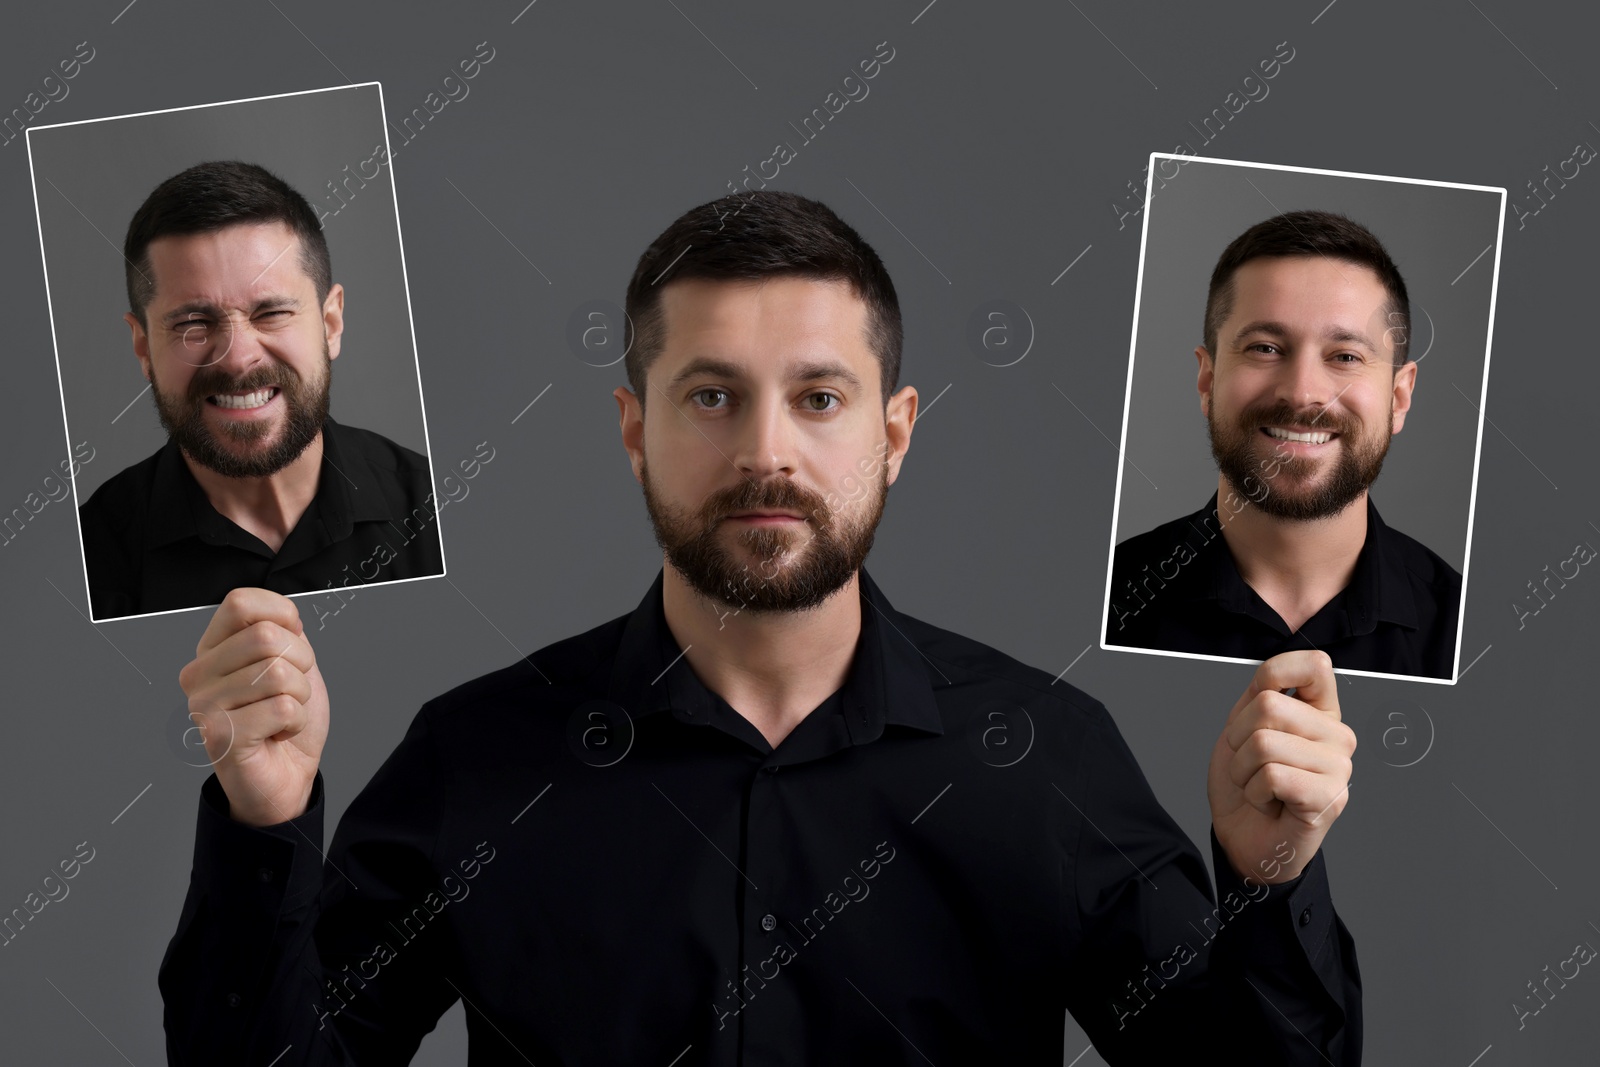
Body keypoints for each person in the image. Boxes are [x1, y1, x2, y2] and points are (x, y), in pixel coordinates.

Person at [160, 191, 1360, 1064]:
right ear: (635, 427)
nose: (768, 452)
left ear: (894, 431)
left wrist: (1271, 878)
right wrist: (263, 826)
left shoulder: (1041, 753)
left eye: (818, 397)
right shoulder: (475, 758)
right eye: (713, 396)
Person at [78, 161, 442, 622]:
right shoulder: (86, 561)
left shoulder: (438, 509)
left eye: (270, 313)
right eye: (193, 323)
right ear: (143, 347)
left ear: (330, 324)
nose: (236, 358)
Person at [1106, 210, 1462, 679]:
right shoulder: (1105, 597)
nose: (1301, 392)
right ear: (1208, 380)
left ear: (1398, 398)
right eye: (1264, 348)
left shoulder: (1465, 629)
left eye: (1346, 356)